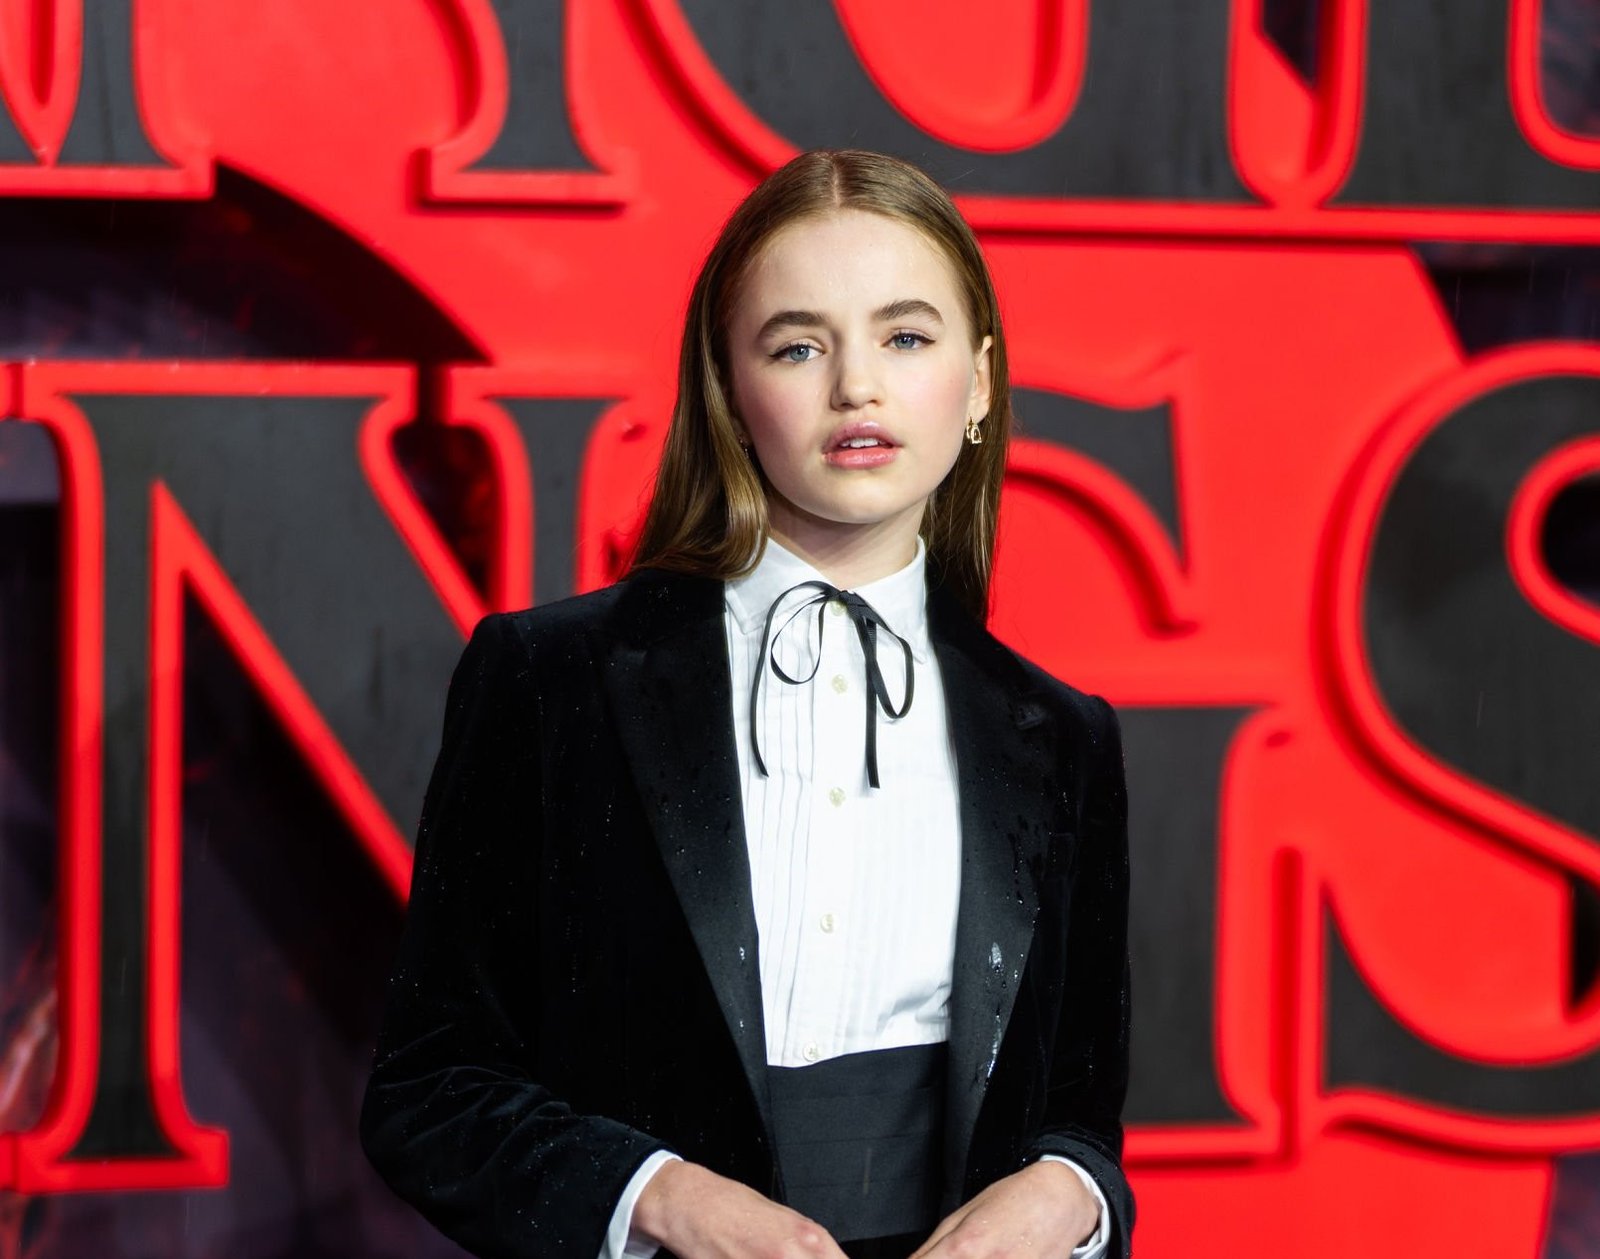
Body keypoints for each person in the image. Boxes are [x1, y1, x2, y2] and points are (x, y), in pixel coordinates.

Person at [360, 149, 1133, 1259]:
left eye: (906, 338)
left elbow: (1078, 1111)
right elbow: (428, 1087)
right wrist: (662, 1198)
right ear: (727, 388)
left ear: (978, 384)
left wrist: (1069, 1195)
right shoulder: (551, 678)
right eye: (798, 345)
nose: (856, 387)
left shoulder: (1061, 738)